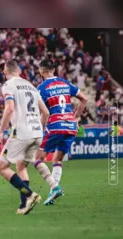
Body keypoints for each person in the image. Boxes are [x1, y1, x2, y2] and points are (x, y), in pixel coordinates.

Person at [0, 60, 53, 215]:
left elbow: (9, 108)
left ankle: (30, 194)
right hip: (37, 133)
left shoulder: (9, 85)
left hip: (21, 132)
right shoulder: (31, 86)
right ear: (19, 71)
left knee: (2, 167)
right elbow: (46, 113)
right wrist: (39, 129)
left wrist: (0, 132)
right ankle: (23, 205)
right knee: (21, 166)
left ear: (5, 72)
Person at [35, 59, 87, 205]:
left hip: (56, 125)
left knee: (37, 158)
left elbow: (44, 113)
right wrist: (76, 117)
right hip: (71, 126)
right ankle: (53, 193)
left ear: (42, 71)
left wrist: (39, 130)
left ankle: (54, 187)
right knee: (57, 160)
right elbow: (84, 99)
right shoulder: (65, 83)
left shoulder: (41, 88)